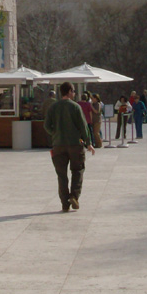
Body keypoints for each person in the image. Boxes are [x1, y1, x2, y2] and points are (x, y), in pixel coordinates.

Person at [44, 82, 95, 212]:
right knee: (78, 170)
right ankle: (74, 196)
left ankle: (64, 203)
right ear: (69, 91)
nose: (74, 93)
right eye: (73, 91)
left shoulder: (53, 107)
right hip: (75, 144)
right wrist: (88, 143)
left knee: (61, 175)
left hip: (58, 145)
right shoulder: (75, 107)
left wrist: (55, 133)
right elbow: (83, 126)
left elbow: (46, 126)